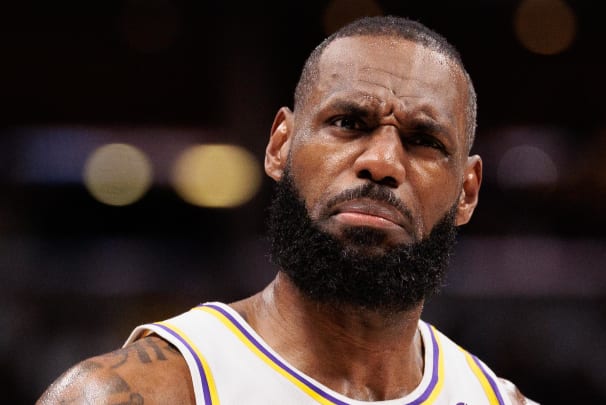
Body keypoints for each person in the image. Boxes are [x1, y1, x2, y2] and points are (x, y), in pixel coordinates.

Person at [37, 15, 537, 404]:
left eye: (424, 140)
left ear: (468, 191)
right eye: (348, 122)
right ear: (280, 145)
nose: (382, 162)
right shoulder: (137, 392)